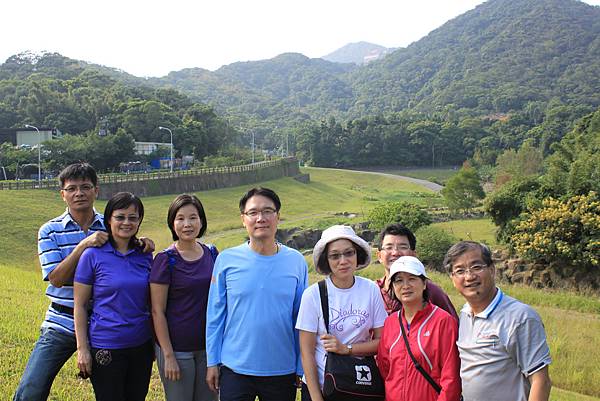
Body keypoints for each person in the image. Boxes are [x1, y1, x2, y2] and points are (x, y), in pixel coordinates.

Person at [13, 163, 153, 401]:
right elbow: (56, 278)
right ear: (63, 194)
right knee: (31, 389)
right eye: (72, 188)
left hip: (106, 324)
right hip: (63, 320)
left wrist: (144, 243)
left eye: (86, 187)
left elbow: (125, 253)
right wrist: (83, 245)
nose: (79, 193)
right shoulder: (50, 231)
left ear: (96, 191)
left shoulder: (111, 221)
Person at [205, 187, 308, 401]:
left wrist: (301, 364)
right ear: (244, 219)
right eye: (253, 213)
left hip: (281, 369)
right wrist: (212, 361)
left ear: (278, 217)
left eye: (268, 211)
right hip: (235, 368)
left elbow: (301, 318)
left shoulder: (296, 261)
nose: (261, 218)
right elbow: (215, 316)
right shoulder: (226, 260)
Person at [444, 241, 552, 401]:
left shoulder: (520, 317)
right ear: (452, 278)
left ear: (492, 269)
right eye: (460, 271)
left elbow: (541, 381)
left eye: (476, 267)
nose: (469, 276)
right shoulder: (465, 314)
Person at [74, 192, 154, 401]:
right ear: (109, 219)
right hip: (106, 346)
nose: (126, 222)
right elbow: (81, 305)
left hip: (141, 345)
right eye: (120, 217)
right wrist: (82, 349)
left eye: (133, 217)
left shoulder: (145, 255)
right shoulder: (92, 255)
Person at [296, 225, 388, 401]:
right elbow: (306, 351)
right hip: (323, 386)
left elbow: (381, 342)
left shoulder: (370, 290)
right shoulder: (313, 295)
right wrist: (316, 397)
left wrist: (347, 349)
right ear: (326, 260)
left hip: (358, 384)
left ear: (357, 254)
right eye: (335, 256)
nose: (343, 261)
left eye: (349, 253)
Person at [150, 194, 218, 401]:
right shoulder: (165, 260)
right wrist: (168, 356)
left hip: (208, 348)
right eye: (180, 218)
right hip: (177, 350)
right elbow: (157, 311)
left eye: (193, 217)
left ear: (201, 221)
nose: (187, 224)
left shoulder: (213, 254)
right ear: (172, 223)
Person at [377, 256, 461, 401]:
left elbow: (451, 378)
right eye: (399, 280)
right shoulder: (391, 323)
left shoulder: (443, 321)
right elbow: (385, 368)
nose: (405, 285)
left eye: (412, 278)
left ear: (424, 284)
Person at [375, 223, 458, 319]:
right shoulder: (373, 292)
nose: (395, 253)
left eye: (403, 247)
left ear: (414, 255)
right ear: (379, 256)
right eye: (389, 247)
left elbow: (452, 325)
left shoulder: (430, 290)